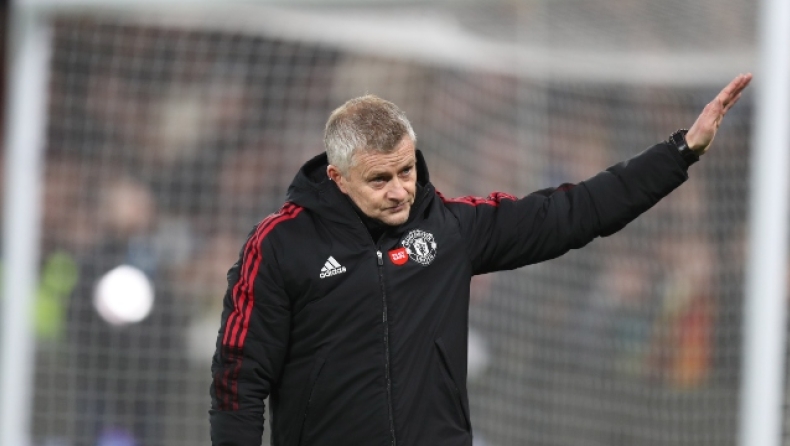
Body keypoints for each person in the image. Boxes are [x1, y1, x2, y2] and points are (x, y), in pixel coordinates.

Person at [209, 74, 752, 446]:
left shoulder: (449, 227)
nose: (399, 191)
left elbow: (573, 212)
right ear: (337, 177)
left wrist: (680, 152)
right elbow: (239, 375)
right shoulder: (279, 244)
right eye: (379, 178)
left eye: (406, 171)